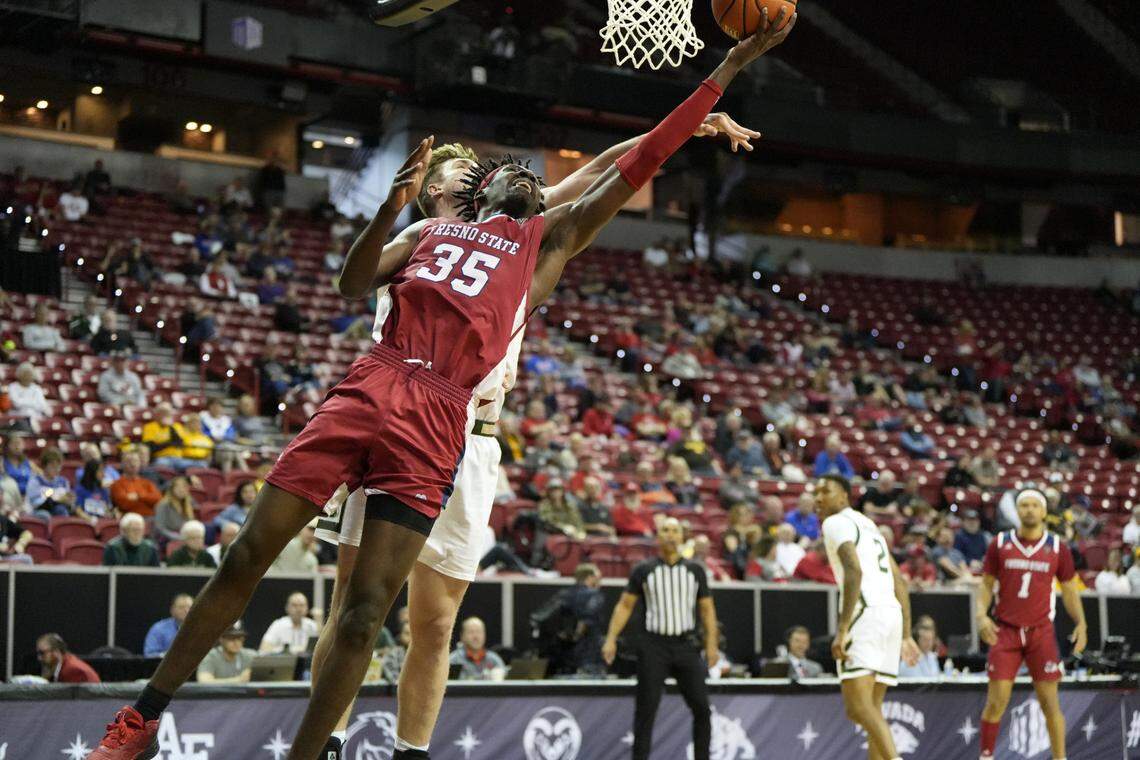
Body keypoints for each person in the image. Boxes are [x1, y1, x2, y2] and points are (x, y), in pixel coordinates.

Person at [86, 17, 789, 758]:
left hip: (446, 417)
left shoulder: (543, 238)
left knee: (393, 618)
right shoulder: (427, 231)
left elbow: (632, 162)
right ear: (472, 192)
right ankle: (149, 722)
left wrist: (728, 69)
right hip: (376, 381)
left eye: (530, 174)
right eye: (505, 170)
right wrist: (391, 205)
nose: (525, 173)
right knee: (265, 565)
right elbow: (353, 279)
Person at [976, 488, 1087, 760]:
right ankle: (986, 756)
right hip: (1006, 631)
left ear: (1044, 511)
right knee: (995, 702)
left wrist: (1081, 623)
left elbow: (1070, 590)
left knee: (1050, 704)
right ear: (1017, 510)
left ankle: (1060, 757)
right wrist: (981, 616)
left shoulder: (1058, 547)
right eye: (1023, 505)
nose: (1029, 510)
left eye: (1034, 505)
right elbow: (986, 586)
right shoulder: (1000, 544)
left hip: (1041, 632)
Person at [816, 474, 920, 760]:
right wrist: (906, 633)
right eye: (815, 493)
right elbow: (899, 579)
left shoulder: (835, 522)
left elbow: (854, 570)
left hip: (865, 614)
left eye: (825, 491)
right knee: (873, 710)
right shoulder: (869, 525)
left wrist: (843, 628)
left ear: (843, 497)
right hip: (890, 615)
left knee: (858, 708)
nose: (818, 498)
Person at [602, 517, 718, 760]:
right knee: (646, 711)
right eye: (665, 530)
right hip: (653, 645)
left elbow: (707, 610)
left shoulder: (695, 570)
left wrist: (712, 644)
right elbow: (625, 606)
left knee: (702, 709)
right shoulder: (644, 570)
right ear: (658, 536)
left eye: (675, 531)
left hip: (685, 645)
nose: (670, 535)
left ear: (682, 536)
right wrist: (611, 637)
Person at [530, 563, 606, 675]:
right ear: (590, 577)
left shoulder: (564, 594)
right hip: (589, 654)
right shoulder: (594, 595)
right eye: (598, 578)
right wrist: (576, 635)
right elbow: (586, 620)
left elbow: (539, 617)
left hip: (562, 657)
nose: (600, 581)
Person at [109, 450, 162, 517]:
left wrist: (139, 496)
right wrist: (147, 498)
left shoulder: (147, 483)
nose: (133, 464)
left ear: (140, 463)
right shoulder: (117, 484)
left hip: (151, 517)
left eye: (135, 461)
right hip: (130, 518)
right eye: (129, 461)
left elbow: (158, 499)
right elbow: (124, 504)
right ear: (122, 464)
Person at [26, 447, 75, 517]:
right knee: (45, 515)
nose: (57, 469)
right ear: (44, 466)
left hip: (59, 510)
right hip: (39, 511)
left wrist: (69, 501)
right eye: (53, 466)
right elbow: (34, 503)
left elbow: (69, 503)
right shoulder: (35, 481)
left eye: (59, 466)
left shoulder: (63, 482)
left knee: (62, 510)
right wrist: (55, 499)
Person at [153, 477, 197, 543]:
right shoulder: (163, 505)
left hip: (184, 536)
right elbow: (160, 528)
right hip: (167, 539)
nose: (182, 490)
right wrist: (178, 537)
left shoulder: (188, 504)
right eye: (178, 487)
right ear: (172, 489)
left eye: (184, 487)